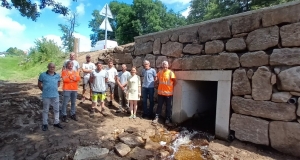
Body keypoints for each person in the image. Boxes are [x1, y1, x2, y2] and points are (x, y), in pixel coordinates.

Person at [38, 63, 63, 131]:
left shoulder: (57, 75)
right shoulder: (42, 75)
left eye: (53, 67)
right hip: (46, 95)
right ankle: (45, 124)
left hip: (55, 95)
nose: (52, 68)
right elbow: (39, 84)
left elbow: (58, 84)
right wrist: (44, 90)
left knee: (56, 110)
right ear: (48, 67)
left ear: (55, 68)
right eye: (50, 67)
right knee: (46, 110)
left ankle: (56, 122)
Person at [152, 61, 176, 125]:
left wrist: (171, 87)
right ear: (162, 66)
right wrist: (156, 79)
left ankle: (167, 119)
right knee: (159, 105)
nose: (165, 67)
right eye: (164, 66)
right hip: (161, 93)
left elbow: (174, 81)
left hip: (168, 93)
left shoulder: (171, 73)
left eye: (166, 66)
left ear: (168, 66)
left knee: (168, 107)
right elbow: (156, 77)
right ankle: (156, 117)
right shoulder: (160, 72)